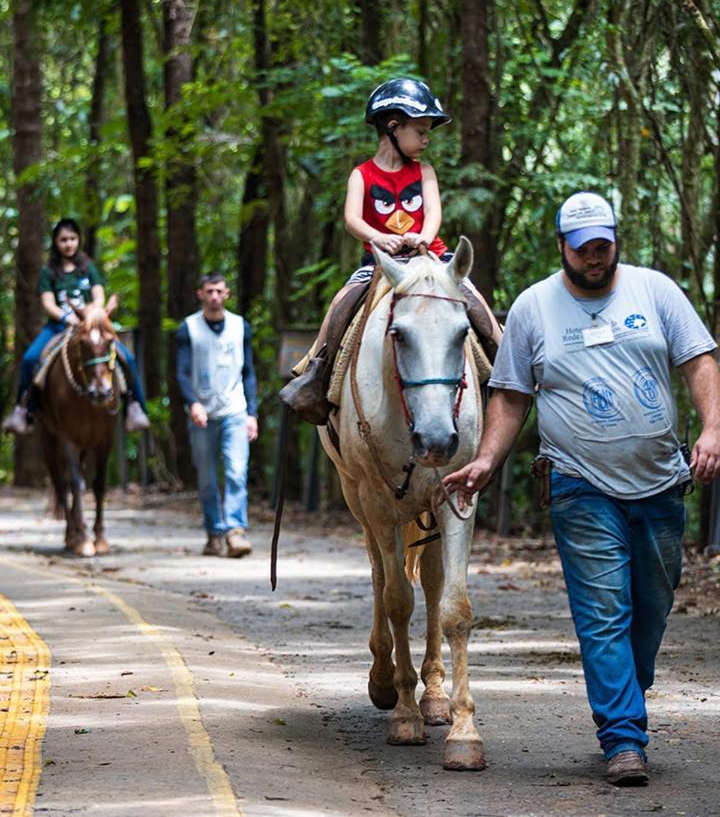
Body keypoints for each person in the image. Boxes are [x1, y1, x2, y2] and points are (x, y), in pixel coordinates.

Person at [444, 191, 720, 787]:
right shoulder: (533, 307)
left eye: (604, 245)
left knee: (651, 607)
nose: (595, 257)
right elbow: (512, 394)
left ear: (616, 239)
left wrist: (713, 429)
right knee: (604, 615)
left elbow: (699, 360)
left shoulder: (656, 291)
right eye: (583, 248)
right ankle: (623, 737)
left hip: (660, 483)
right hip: (579, 483)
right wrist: (488, 458)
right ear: (562, 247)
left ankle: (625, 691)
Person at [279, 76, 502, 425]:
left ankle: (504, 364)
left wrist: (423, 237)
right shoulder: (362, 175)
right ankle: (314, 370)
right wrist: (378, 238)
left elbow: (433, 215)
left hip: (430, 258)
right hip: (381, 263)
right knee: (342, 301)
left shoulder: (424, 172)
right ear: (393, 127)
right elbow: (352, 219)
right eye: (421, 131)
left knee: (474, 299)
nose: (426, 140)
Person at [2, 218, 150, 435]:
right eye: (63, 240)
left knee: (126, 357)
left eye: (72, 239)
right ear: (56, 242)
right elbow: (47, 303)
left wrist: (91, 316)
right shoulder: (48, 271)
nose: (68, 244)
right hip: (58, 327)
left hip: (91, 327)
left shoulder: (88, 267)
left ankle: (135, 406)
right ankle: (23, 409)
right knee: (30, 359)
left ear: (78, 240)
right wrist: (66, 318)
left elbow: (99, 295)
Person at [176, 271, 258, 557]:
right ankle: (214, 532)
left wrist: (252, 414)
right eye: (208, 291)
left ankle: (236, 532)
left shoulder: (240, 326)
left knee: (237, 472)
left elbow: (248, 372)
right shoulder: (188, 328)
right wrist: (193, 403)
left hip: (235, 410)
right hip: (202, 414)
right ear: (200, 294)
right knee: (207, 478)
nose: (214, 297)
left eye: (219, 291)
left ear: (227, 294)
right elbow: (182, 373)